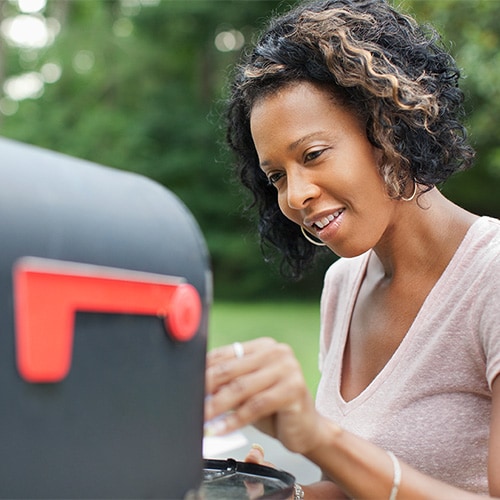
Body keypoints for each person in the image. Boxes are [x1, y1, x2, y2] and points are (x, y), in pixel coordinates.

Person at [204, 0, 500, 497]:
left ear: (388, 129)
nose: (294, 196)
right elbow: (350, 488)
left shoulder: (490, 276)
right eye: (277, 176)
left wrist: (320, 438)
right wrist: (281, 493)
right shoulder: (345, 284)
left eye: (313, 155)